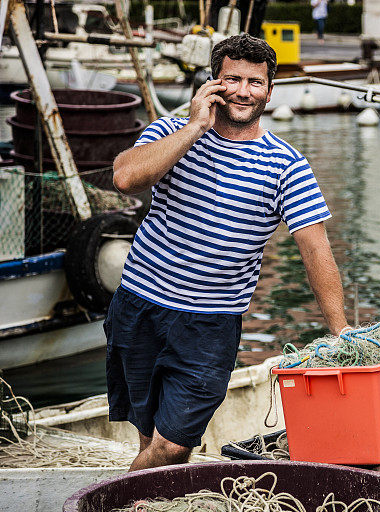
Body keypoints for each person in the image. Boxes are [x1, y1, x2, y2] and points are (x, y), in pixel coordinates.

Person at [109, 34, 349, 471]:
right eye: (232, 79)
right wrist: (195, 126)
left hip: (211, 325)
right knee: (148, 436)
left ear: (270, 92)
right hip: (139, 305)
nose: (243, 91)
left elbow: (315, 250)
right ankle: (141, 511)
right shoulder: (171, 132)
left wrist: (340, 333)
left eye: (255, 82)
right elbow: (125, 178)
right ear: (213, 84)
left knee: (175, 445)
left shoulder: (286, 164)